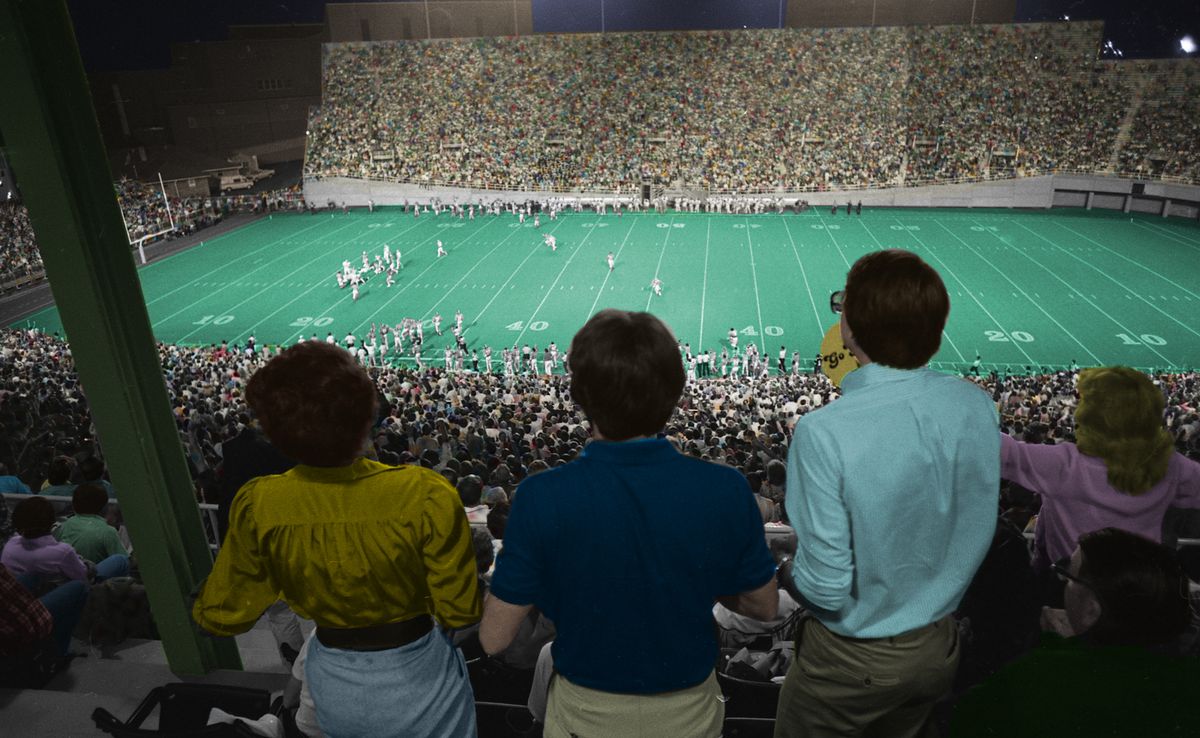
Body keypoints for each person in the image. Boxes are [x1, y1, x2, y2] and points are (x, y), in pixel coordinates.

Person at [481, 309, 777, 737]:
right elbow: (763, 605)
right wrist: (685, 578)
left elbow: (494, 637)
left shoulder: (541, 495)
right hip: (688, 712)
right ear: (674, 391)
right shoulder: (724, 487)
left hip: (584, 711)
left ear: (580, 394)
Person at [192, 342, 481, 737]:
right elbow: (461, 612)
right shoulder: (424, 493)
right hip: (418, 675)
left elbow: (222, 614)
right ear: (366, 416)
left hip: (332, 679)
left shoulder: (260, 504)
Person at [775, 249, 999, 738]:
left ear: (850, 329)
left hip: (853, 660)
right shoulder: (976, 405)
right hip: (938, 644)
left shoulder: (823, 431)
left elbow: (826, 589)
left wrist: (783, 567)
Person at [951, 528, 1199, 737]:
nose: (1062, 583)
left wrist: (1054, 648)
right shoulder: (1188, 680)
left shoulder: (1034, 677)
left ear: (1092, 610)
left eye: (1068, 577)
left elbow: (964, 720)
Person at [1000, 366, 1200, 572]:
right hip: (1140, 582)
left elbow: (998, 450)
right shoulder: (1169, 465)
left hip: (1075, 580)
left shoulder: (1065, 463)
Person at [54, 484, 129, 574]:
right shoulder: (108, 532)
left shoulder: (62, 527)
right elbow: (124, 563)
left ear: (73, 504)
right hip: (94, 579)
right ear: (104, 507)